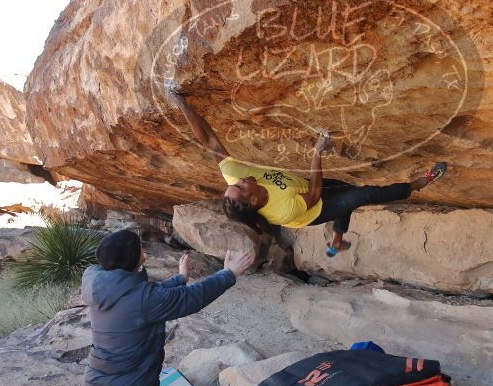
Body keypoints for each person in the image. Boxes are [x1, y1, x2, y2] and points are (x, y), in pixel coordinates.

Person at [167, 85, 448, 257]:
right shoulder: (282, 211)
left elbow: (210, 142)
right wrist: (317, 151)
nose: (239, 180)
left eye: (236, 183)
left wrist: (182, 103)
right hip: (313, 209)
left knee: (349, 197)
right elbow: (315, 192)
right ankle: (419, 184)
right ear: (252, 201)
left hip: (303, 187)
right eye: (240, 187)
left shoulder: (237, 177)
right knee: (364, 195)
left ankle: (336, 240)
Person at [82, 229, 254, 386]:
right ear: (133, 257)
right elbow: (192, 298)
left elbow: (150, 295)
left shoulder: (102, 286)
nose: (143, 251)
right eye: (140, 248)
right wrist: (229, 273)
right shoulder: (143, 299)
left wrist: (180, 278)